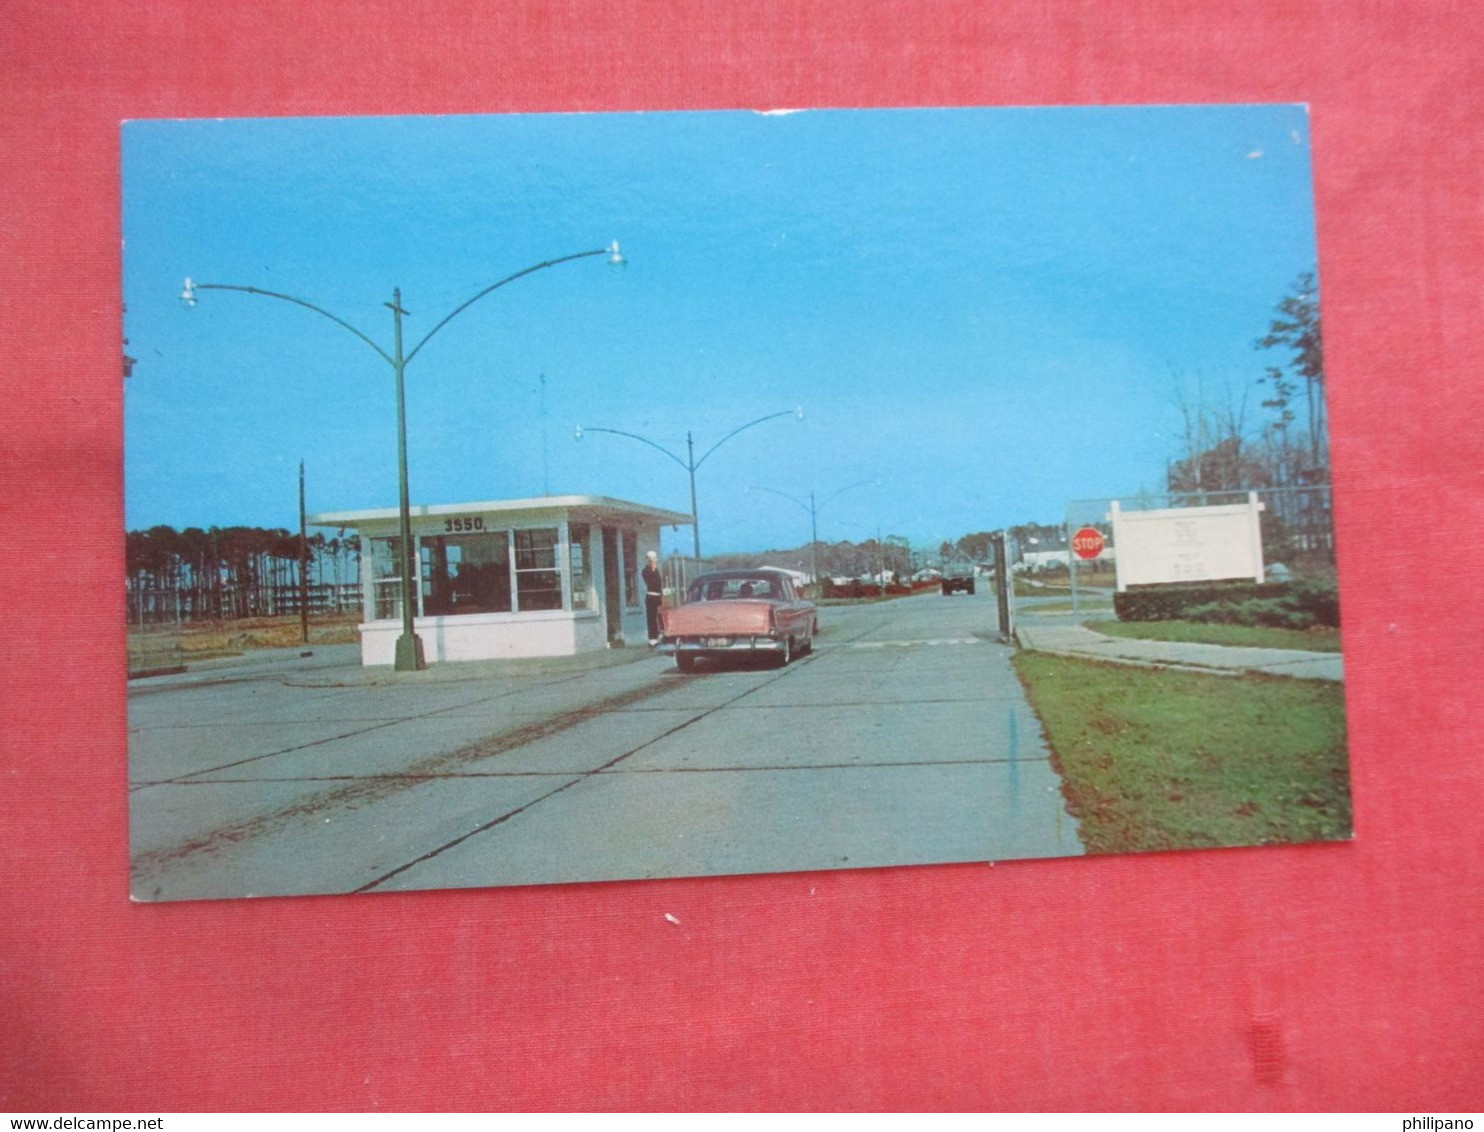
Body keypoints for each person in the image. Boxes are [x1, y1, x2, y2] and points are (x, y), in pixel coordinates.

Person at [642, 550, 664, 645]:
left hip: (658, 596)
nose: (654, 562)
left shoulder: (656, 570)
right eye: (652, 560)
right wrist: (654, 570)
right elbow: (652, 583)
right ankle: (652, 638)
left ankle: (660, 634)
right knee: (651, 617)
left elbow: (659, 583)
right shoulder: (645, 571)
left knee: (659, 616)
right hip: (651, 596)